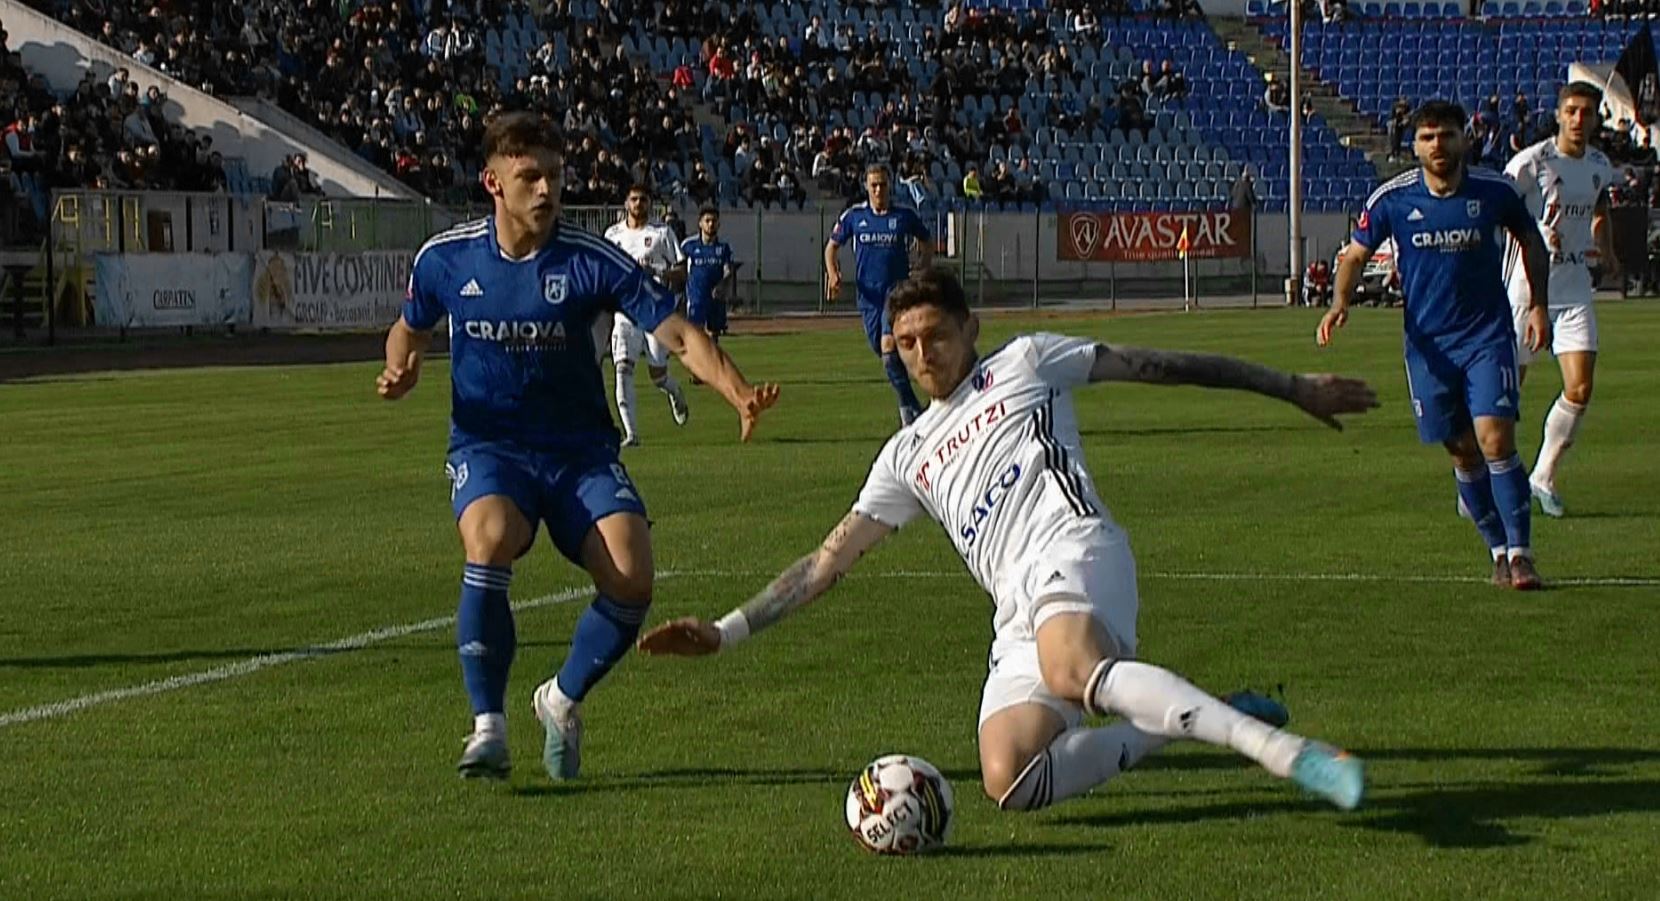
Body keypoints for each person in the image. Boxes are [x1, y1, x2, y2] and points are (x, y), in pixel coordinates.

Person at [640, 267, 1377, 814]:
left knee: (1071, 667)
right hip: (1015, 607)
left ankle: (1283, 752)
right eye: (904, 343)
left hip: (1075, 547)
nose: (921, 353)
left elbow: (1159, 365)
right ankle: (1198, 713)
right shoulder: (907, 453)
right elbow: (828, 559)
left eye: (934, 335)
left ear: (970, 331)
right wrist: (726, 630)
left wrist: (1291, 387)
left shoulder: (1023, 364)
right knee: (1011, 778)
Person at [376, 113, 779, 781]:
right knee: (490, 536)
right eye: (529, 176)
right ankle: (488, 726)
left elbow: (678, 333)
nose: (546, 189)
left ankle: (559, 698)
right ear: (493, 183)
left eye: (555, 176)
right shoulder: (445, 258)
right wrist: (403, 366)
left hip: (580, 453)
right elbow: (407, 330)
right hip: (491, 445)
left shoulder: (591, 259)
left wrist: (735, 392)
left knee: (632, 576)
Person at [1320, 101, 1552, 590]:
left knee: (1495, 439)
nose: (1437, 146)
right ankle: (1496, 550)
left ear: (1464, 138)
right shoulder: (1393, 200)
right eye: (1427, 137)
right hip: (1429, 349)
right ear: (1415, 145)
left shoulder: (1494, 191)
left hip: (1487, 336)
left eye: (1446, 135)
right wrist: (1340, 302)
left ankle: (1522, 554)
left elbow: (1531, 240)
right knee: (1463, 452)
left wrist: (1536, 306)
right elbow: (1355, 255)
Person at [1501, 83, 1618, 518]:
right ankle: (1486, 477)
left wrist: (1606, 251)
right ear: (1558, 114)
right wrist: (1530, 231)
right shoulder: (1532, 162)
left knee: (1581, 386)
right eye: (1571, 110)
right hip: (1526, 289)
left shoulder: (1598, 165)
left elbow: (1600, 208)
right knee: (1507, 393)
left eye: (1587, 112)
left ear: (1595, 117)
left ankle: (1543, 476)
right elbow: (1500, 209)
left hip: (1572, 290)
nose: (1578, 119)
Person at [825, 164, 934, 426]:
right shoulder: (854, 216)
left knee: (888, 347)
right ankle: (915, 404)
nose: (878, 190)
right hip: (868, 299)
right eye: (873, 185)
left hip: (896, 295)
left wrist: (923, 264)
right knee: (887, 355)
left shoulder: (903, 216)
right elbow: (831, 247)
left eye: (883, 184)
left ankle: (912, 414)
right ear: (866, 186)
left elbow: (926, 240)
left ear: (890, 186)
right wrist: (833, 273)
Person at [604, 184, 692, 447]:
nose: (638, 204)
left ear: (650, 203)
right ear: (626, 203)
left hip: (654, 312)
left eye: (643, 199)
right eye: (634, 199)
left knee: (657, 375)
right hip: (624, 312)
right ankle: (631, 433)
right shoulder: (613, 234)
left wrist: (659, 272)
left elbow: (682, 270)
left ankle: (674, 391)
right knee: (622, 369)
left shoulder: (661, 233)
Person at [680, 205, 736, 345]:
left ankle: (712, 365)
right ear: (700, 223)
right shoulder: (689, 245)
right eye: (707, 220)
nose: (711, 224)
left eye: (714, 221)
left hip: (716, 298)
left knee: (714, 335)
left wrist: (723, 285)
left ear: (718, 224)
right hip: (696, 298)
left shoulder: (723, 248)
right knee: (695, 333)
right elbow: (679, 268)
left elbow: (728, 270)